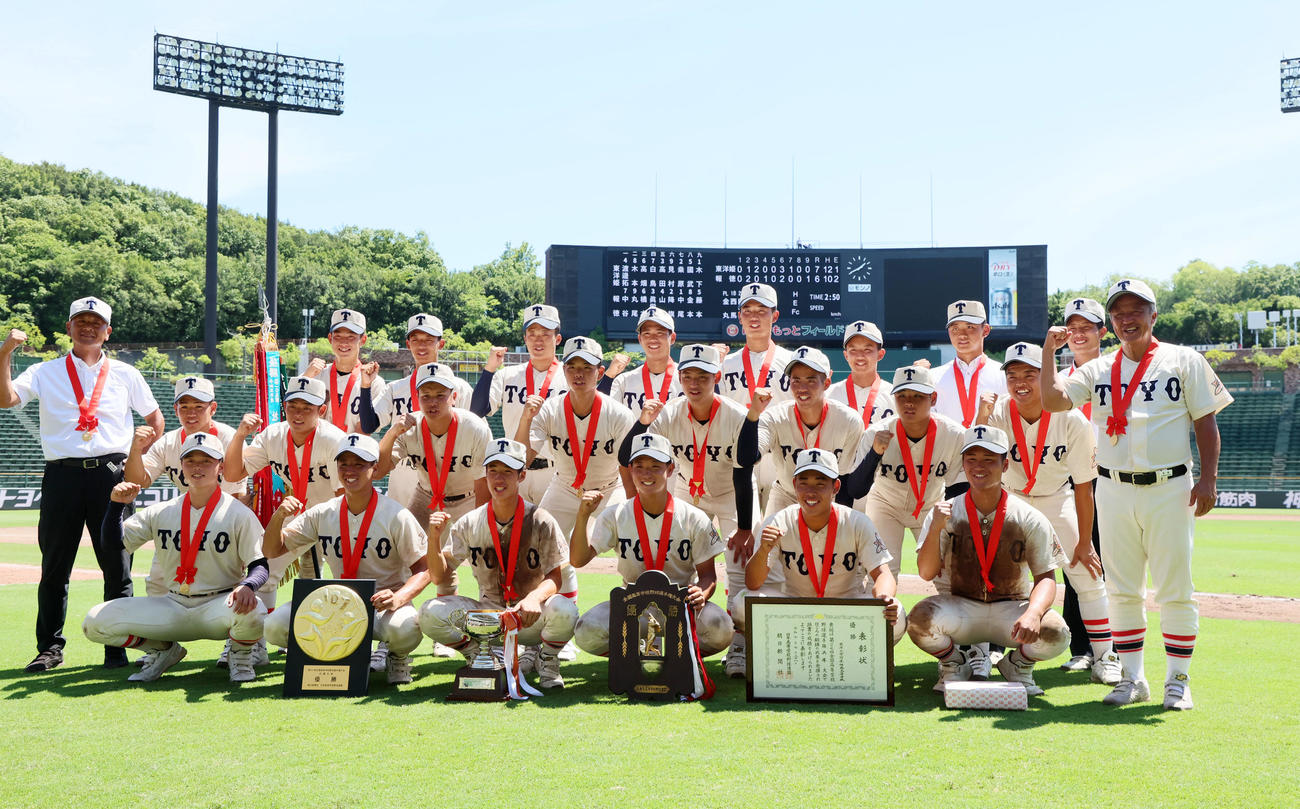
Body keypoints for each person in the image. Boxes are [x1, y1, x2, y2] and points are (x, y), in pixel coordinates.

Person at [1041, 279, 1232, 710]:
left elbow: (1206, 422)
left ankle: (1178, 680)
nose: (1127, 319)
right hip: (1112, 487)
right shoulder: (1098, 368)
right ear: (1111, 321)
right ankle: (1132, 678)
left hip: (1169, 486)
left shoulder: (1183, 359)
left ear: (1153, 316)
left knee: (1175, 589)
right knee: (1122, 590)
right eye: (1119, 313)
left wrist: (1208, 480)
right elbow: (1053, 402)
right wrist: (1049, 353)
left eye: (1136, 311)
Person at [1, 297, 165, 673]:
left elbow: (155, 419)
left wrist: (138, 456)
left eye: (97, 322)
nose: (88, 327)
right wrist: (6, 351)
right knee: (55, 566)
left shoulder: (126, 373)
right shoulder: (45, 371)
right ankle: (49, 648)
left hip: (112, 474)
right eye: (81, 321)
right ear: (69, 327)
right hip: (62, 474)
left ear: (108, 331)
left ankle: (116, 646)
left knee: (117, 565)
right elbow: (5, 398)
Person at [977, 342, 1121, 686]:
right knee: (986, 575)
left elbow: (1085, 487)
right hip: (1010, 500)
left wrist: (1086, 541)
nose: (1021, 382)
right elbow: (977, 460)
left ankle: (1105, 656)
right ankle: (981, 653)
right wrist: (981, 419)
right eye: (1013, 375)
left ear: (1047, 377)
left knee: (1087, 574)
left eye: (1030, 373)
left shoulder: (1071, 419)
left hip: (1057, 498)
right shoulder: (997, 415)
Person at [615, 343, 762, 677]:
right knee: (675, 561)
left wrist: (743, 526)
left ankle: (739, 645)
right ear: (679, 377)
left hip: (730, 493)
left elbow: (743, 473)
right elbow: (627, 457)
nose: (695, 383)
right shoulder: (668, 412)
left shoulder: (736, 415)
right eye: (688, 376)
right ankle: (676, 633)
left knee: (739, 567)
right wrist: (642, 423)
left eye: (703, 376)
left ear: (717, 377)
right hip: (685, 491)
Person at [83, 434, 268, 683]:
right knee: (95, 622)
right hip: (172, 604)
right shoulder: (163, 511)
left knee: (255, 608)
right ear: (181, 467)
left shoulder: (238, 514)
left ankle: (241, 656)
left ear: (220, 467)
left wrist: (248, 585)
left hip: (218, 606)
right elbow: (113, 545)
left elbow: (259, 565)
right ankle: (163, 650)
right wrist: (116, 506)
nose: (197, 467)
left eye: (206, 460)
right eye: (190, 460)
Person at [908, 425, 1072, 696]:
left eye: (989, 460)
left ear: (1005, 465)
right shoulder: (947, 511)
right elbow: (926, 572)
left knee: (1056, 632)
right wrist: (937, 527)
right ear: (962, 464)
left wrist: (1033, 613)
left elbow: (1046, 578)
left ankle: (1017, 665)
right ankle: (954, 663)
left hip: (1010, 608)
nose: (979, 467)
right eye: (971, 459)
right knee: (919, 620)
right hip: (961, 607)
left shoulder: (1027, 516)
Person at [263, 434, 432, 685]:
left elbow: (424, 569)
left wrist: (398, 598)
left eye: (359, 464)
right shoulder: (323, 512)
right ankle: (320, 654)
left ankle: (397, 655)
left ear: (375, 468)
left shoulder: (396, 514)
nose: (350, 470)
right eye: (344, 464)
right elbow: (273, 550)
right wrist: (278, 517)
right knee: (274, 625)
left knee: (405, 629)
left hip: (381, 605)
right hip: (336, 604)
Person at [419, 439, 578, 689]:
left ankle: (547, 659)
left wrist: (535, 598)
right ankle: (480, 656)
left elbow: (555, 577)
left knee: (566, 610)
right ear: (485, 474)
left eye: (507, 472)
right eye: (493, 471)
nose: (499, 479)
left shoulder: (541, 519)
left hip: (529, 617)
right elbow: (439, 576)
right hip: (488, 616)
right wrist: (434, 539)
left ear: (522, 475)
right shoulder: (470, 522)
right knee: (429, 612)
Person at [734, 448, 903, 679]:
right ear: (794, 485)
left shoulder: (857, 522)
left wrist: (885, 596)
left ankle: (855, 658)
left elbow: (883, 573)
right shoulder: (779, 520)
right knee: (741, 603)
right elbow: (753, 583)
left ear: (836, 487)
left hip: (847, 610)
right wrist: (763, 550)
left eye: (820, 483)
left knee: (897, 613)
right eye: (803, 482)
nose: (810, 491)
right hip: (796, 613)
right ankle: (792, 654)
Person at [124, 375, 253, 669]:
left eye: (199, 405)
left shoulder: (230, 438)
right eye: (184, 406)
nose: (191, 412)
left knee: (236, 585)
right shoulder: (168, 441)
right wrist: (135, 450)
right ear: (175, 409)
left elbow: (240, 489)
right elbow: (138, 480)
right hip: (181, 522)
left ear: (213, 408)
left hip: (223, 519)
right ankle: (163, 647)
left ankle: (239, 646)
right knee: (157, 580)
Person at [570, 433, 732, 661]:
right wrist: (583, 516)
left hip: (680, 605)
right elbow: (578, 560)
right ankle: (634, 657)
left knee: (721, 628)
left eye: (655, 466)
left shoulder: (693, 517)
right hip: (632, 605)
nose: (646, 473)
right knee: (586, 630)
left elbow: (708, 577)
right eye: (639, 466)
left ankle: (678, 657)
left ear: (670, 469)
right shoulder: (616, 514)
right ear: (630, 469)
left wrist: (701, 593)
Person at [225, 376, 346, 614]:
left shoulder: (333, 439)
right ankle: (258, 636)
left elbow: (343, 494)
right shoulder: (273, 436)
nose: (298, 414)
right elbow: (232, 473)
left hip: (336, 514)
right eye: (292, 407)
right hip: (298, 513)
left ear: (321, 410)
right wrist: (240, 436)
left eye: (307, 408)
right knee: (266, 568)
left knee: (348, 575)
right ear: (284, 407)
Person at [518, 336, 637, 536]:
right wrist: (525, 419)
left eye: (586, 367)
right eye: (571, 366)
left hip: (609, 487)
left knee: (630, 538)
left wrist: (634, 508)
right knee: (538, 540)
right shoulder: (550, 409)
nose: (578, 374)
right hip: (564, 487)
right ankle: (565, 569)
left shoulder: (618, 413)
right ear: (563, 370)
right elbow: (524, 459)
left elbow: (627, 467)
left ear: (600, 372)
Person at [471, 303, 569, 505]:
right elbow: (477, 410)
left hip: (555, 471)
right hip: (514, 470)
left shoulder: (569, 377)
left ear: (557, 339)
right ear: (525, 338)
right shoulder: (507, 375)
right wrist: (489, 370)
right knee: (515, 534)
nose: (538, 339)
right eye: (532, 333)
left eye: (545, 333)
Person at [1056, 296, 1108, 671]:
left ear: (1102, 332)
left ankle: (1114, 646)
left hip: (1112, 478)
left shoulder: (1119, 373)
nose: (1077, 335)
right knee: (1075, 560)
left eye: (1085, 328)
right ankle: (1081, 647)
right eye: (1071, 329)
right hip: (1073, 482)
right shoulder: (1058, 382)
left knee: (1114, 564)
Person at [757, 346, 864, 518]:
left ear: (827, 382)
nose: (802, 388)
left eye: (811, 380)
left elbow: (844, 479)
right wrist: (753, 416)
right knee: (766, 541)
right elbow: (750, 456)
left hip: (830, 498)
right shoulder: (774, 417)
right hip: (786, 494)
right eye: (796, 380)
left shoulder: (849, 421)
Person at [718, 283, 793, 510]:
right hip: (737, 454)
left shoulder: (792, 362)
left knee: (777, 533)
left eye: (762, 310)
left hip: (779, 454)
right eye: (747, 311)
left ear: (775, 315)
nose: (754, 317)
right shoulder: (724, 365)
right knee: (744, 533)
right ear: (739, 316)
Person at [931, 300, 1008, 431]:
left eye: (970, 327)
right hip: (948, 450)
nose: (962, 334)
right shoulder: (932, 377)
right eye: (955, 328)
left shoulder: (1003, 375)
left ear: (986, 330)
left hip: (991, 450)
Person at [303, 308, 381, 434]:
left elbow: (366, 429)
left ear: (363, 340)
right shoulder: (315, 374)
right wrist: (307, 376)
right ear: (330, 338)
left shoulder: (374, 382)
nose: (344, 342)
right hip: (317, 450)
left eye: (351, 336)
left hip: (354, 451)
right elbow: (292, 411)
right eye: (338, 336)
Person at [610, 306, 682, 411]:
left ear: (672, 338)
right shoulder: (623, 381)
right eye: (647, 333)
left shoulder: (689, 380)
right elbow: (603, 414)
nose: (653, 338)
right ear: (640, 339)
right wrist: (609, 376)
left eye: (660, 333)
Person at [827, 320, 895, 429]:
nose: (860, 356)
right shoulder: (829, 395)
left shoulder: (894, 396)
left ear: (880, 354)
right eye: (853, 350)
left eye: (867, 349)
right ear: (846, 355)